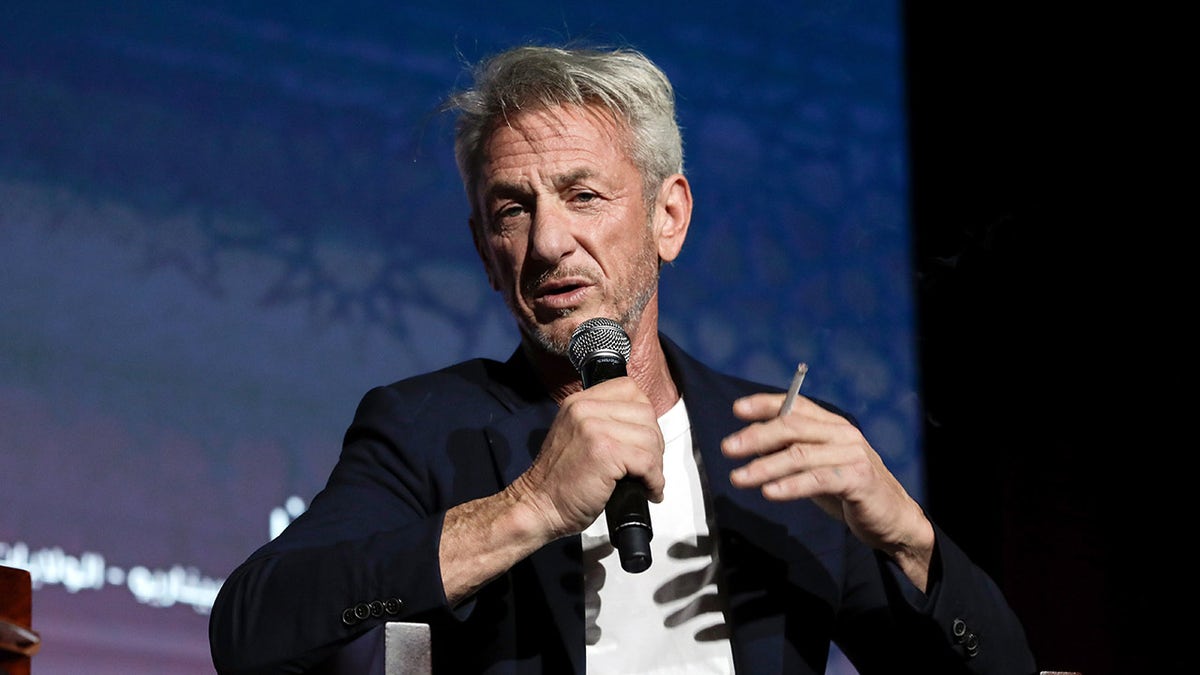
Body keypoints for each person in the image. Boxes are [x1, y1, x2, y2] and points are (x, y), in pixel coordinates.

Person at [208, 44, 1036, 674]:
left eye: (583, 195)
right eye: (511, 211)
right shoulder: (429, 429)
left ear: (667, 218)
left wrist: (909, 538)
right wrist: (529, 505)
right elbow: (252, 627)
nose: (548, 243)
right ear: (484, 251)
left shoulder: (782, 450)